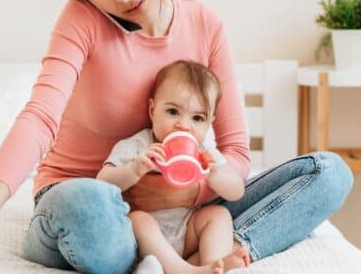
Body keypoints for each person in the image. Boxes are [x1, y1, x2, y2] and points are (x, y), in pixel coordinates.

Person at [0, 0, 353, 274]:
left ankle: (209, 259)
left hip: (189, 208)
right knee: (84, 201)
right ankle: (153, 256)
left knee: (329, 173)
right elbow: (40, 117)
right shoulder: (81, 20)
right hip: (99, 206)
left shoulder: (204, 23)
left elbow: (236, 153)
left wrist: (186, 195)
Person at [97, 60, 249, 274]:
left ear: (209, 123)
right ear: (152, 110)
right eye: (173, 112)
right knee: (138, 220)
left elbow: (237, 191)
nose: (184, 125)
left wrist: (214, 173)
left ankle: (212, 264)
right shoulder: (140, 146)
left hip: (186, 232)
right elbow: (102, 183)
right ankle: (184, 270)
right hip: (143, 241)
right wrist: (134, 169)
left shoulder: (204, 152)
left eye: (197, 118)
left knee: (219, 214)